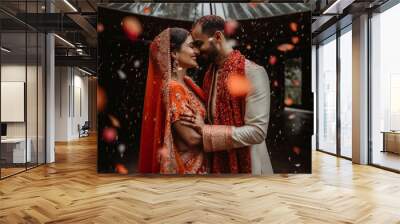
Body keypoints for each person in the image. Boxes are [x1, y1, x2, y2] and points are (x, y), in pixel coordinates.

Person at [182, 15, 274, 174]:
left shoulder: (253, 73)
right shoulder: (209, 74)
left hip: (249, 166)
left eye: (199, 43)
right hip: (216, 162)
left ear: (217, 37)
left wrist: (206, 132)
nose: (196, 51)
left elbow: (257, 132)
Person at [138, 28, 208, 174]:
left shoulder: (187, 84)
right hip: (190, 170)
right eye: (191, 46)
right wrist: (228, 137)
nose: (197, 51)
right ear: (175, 53)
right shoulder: (174, 88)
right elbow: (191, 138)